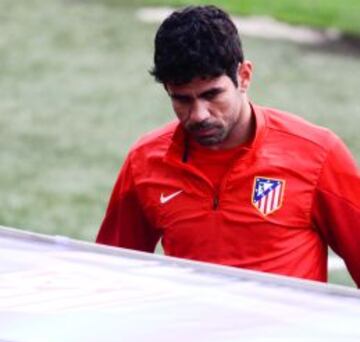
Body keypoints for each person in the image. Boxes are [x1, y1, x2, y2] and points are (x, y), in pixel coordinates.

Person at [96, 5, 360, 287]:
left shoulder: (317, 155)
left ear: (244, 76)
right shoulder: (145, 162)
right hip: (191, 331)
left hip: (287, 332)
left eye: (212, 94)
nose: (198, 114)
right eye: (182, 99)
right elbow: (111, 277)